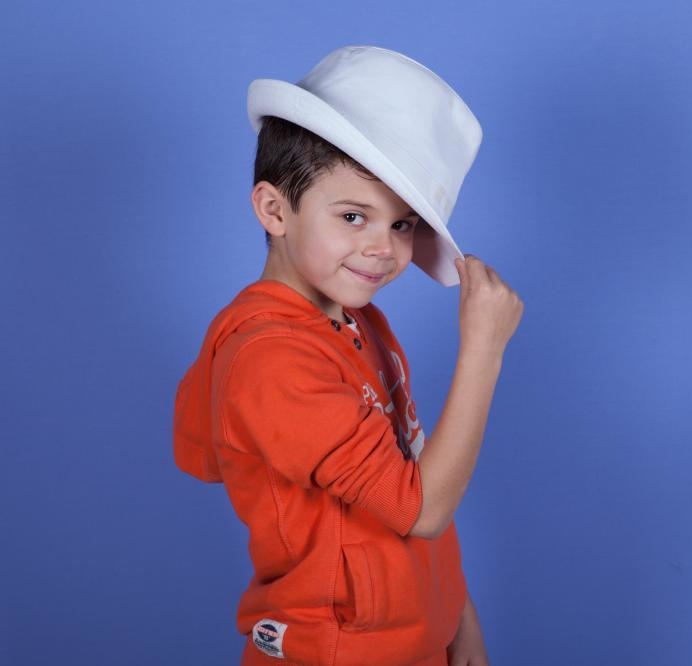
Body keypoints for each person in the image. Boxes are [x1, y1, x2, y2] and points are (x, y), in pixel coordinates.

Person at [173, 45, 522, 666]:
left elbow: (413, 467)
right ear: (275, 209)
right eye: (355, 216)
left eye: (402, 224)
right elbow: (421, 509)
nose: (383, 248)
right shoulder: (270, 360)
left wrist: (454, 610)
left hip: (409, 640)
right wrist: (483, 349)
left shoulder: (362, 323)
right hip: (335, 650)